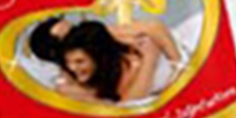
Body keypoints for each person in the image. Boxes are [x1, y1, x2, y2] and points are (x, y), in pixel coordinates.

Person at [28, 15, 182, 103]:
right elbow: (127, 102)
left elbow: (154, 27)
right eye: (69, 35)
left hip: (176, 55)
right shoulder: (72, 83)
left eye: (74, 28)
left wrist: (178, 64)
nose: (77, 34)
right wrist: (150, 59)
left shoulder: (99, 36)